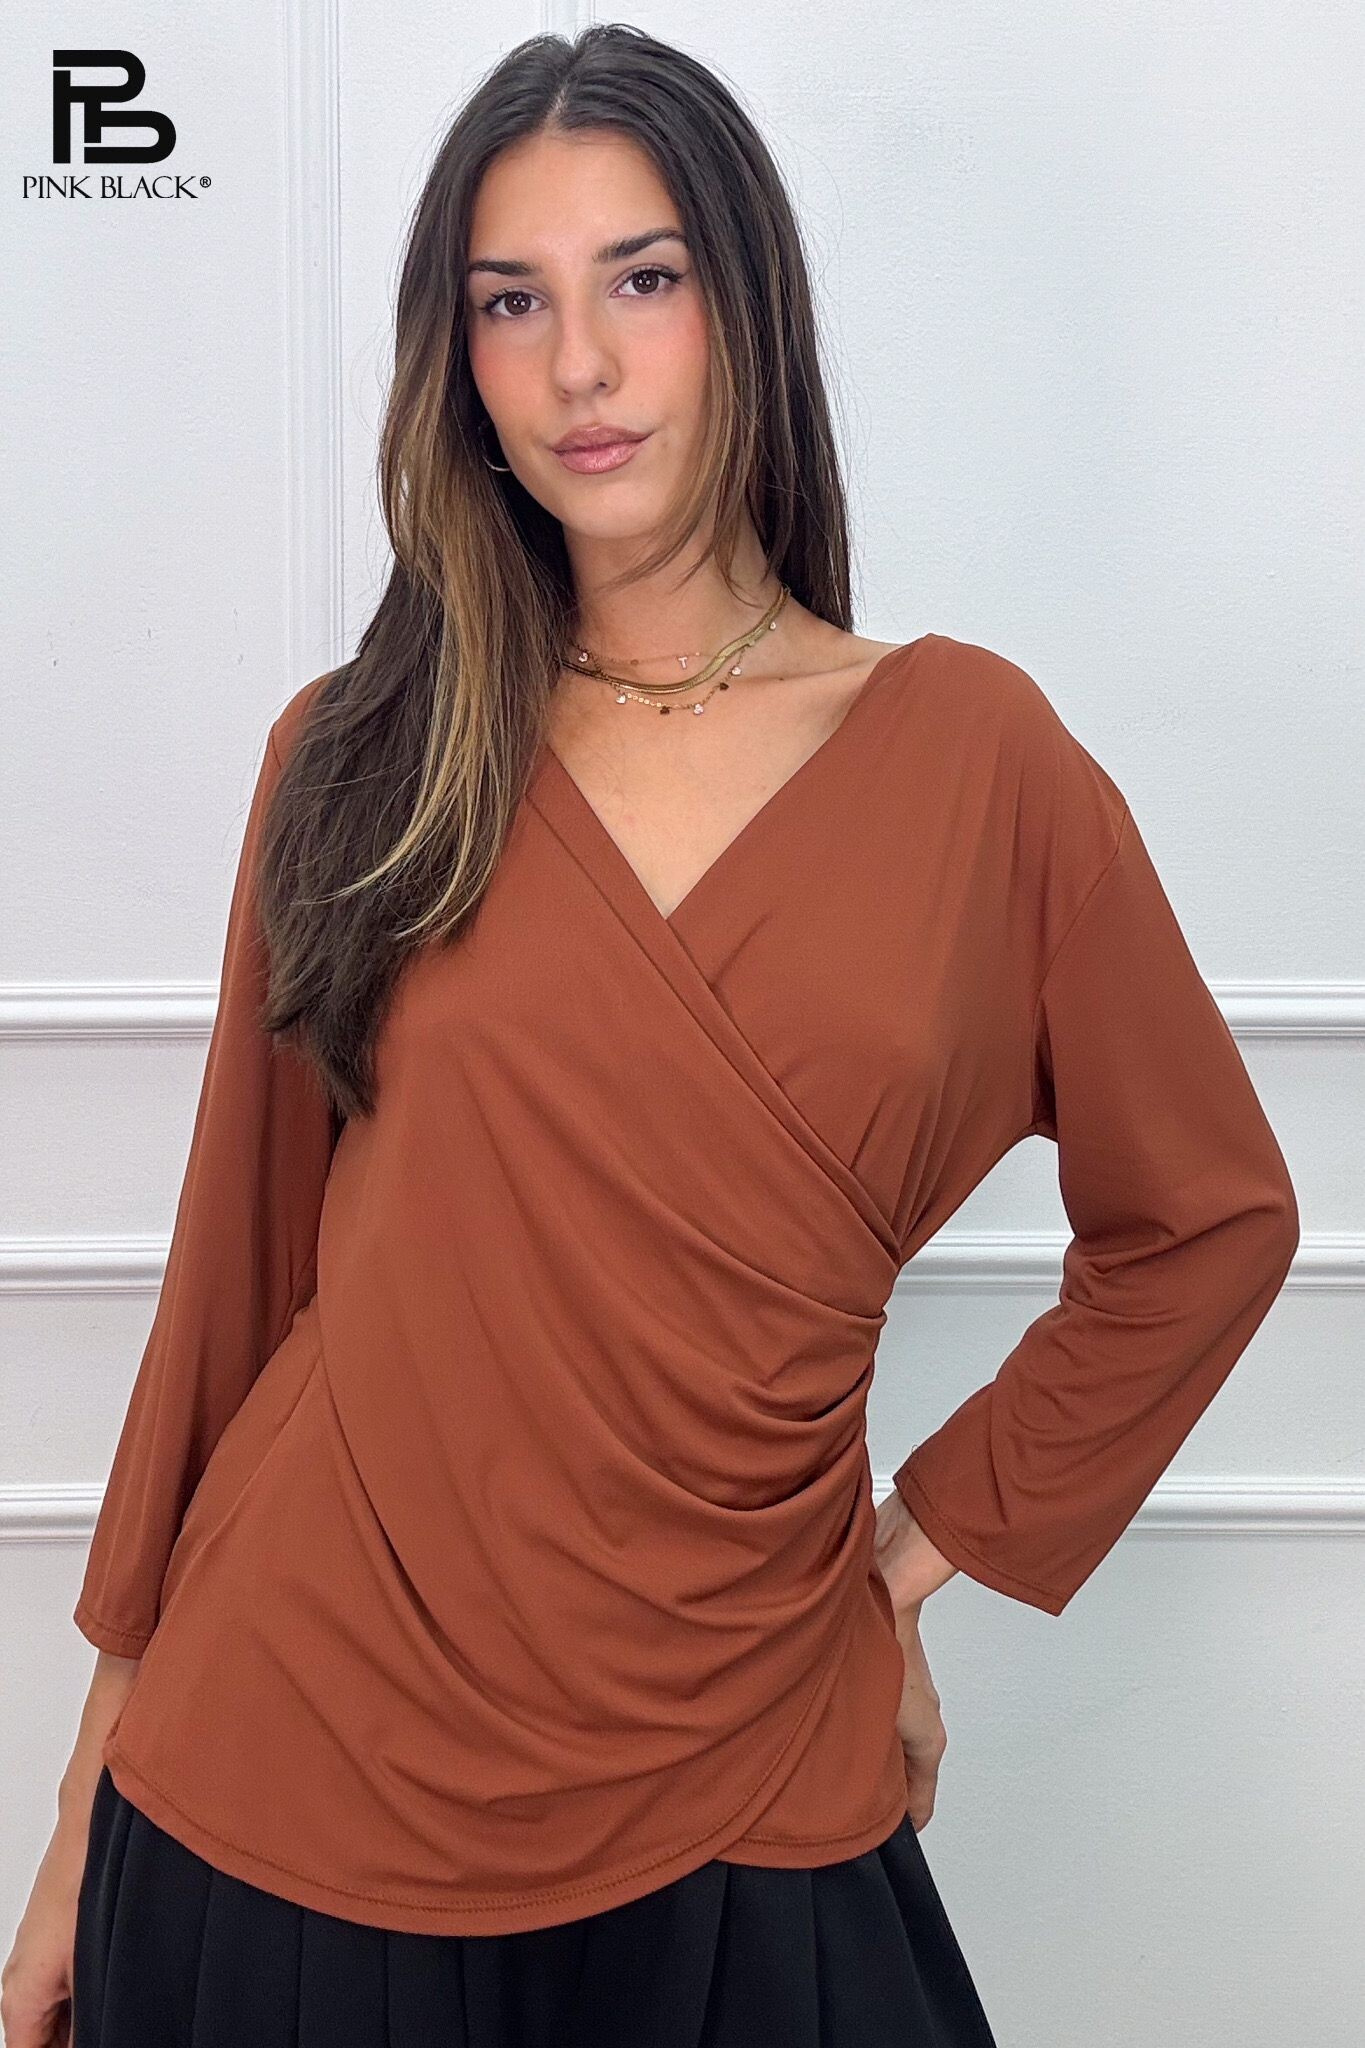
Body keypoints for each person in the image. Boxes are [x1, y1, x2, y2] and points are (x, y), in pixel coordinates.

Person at [4, 23, 1299, 2048]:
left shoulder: (977, 760)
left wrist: (906, 1560)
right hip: (291, 1764)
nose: (579, 368)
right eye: (509, 302)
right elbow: (231, 1302)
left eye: (642, 278)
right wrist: (83, 1803)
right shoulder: (359, 757)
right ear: (455, 361)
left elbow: (1204, 1220)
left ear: (744, 305)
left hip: (749, 1746)